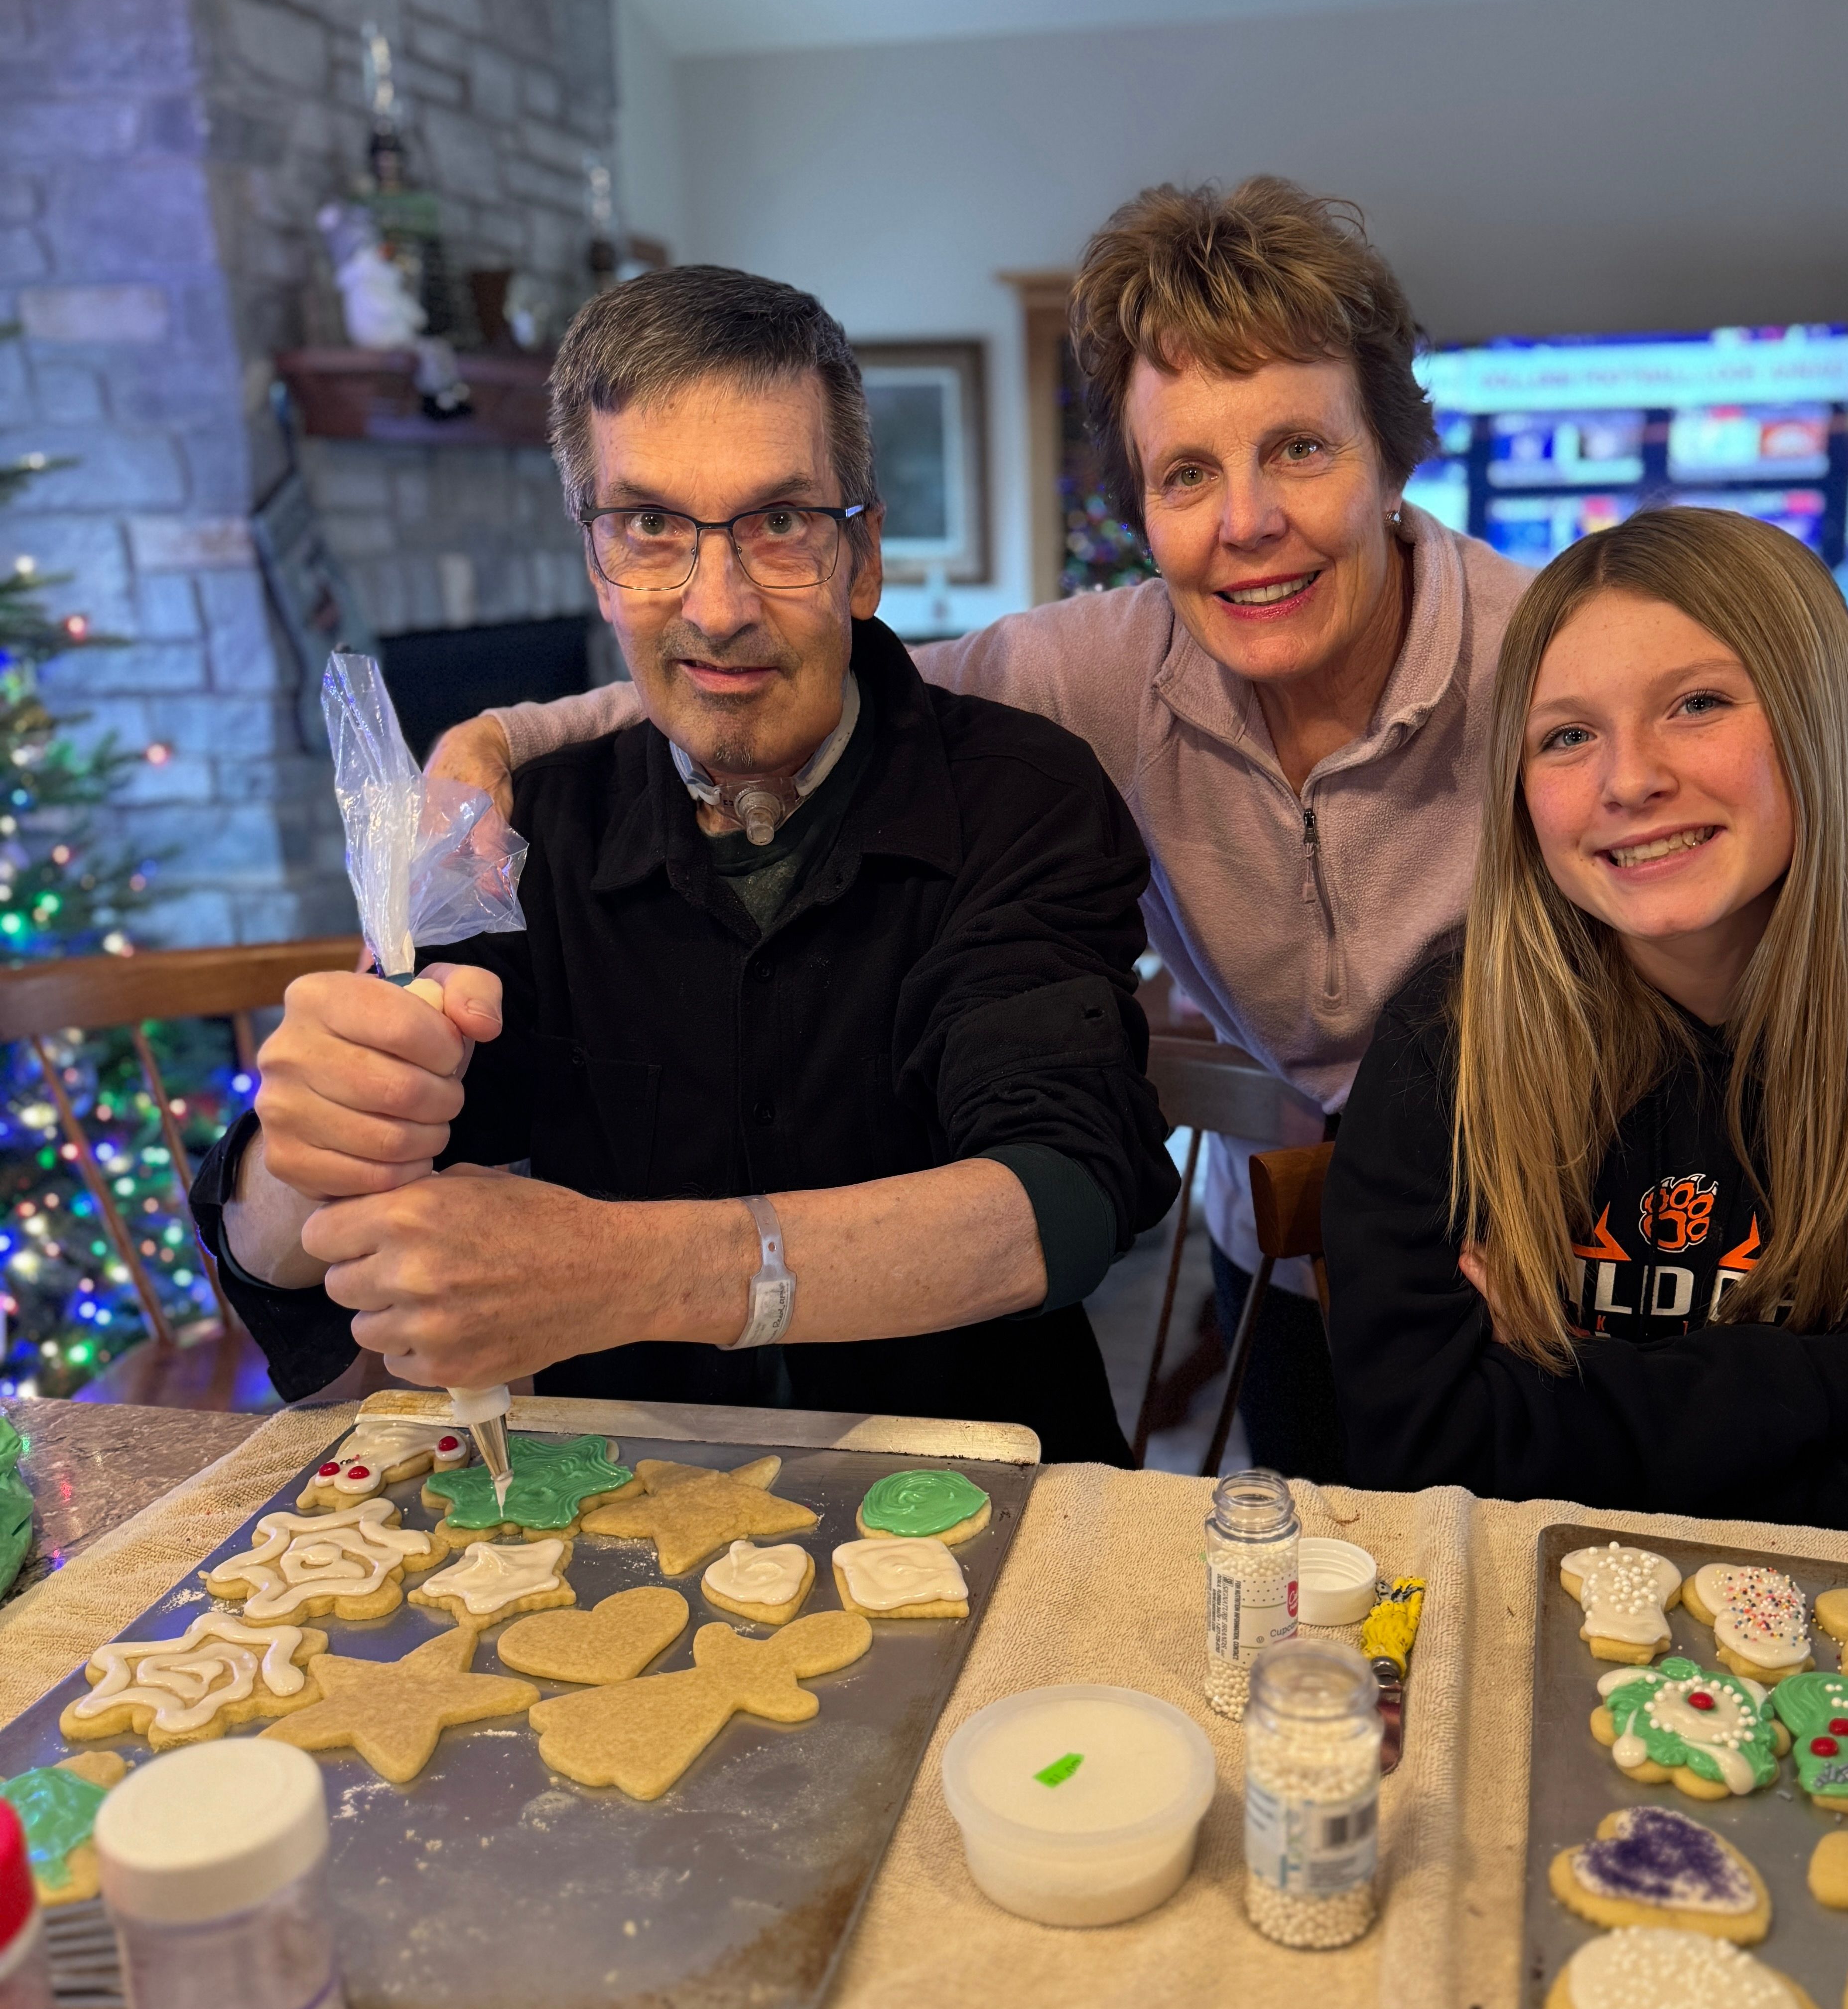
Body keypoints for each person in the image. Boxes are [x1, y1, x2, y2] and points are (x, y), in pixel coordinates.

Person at [430, 181, 1848, 1480]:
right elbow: (786, 662)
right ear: (1139, 505)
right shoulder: (1081, 671)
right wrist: (504, 738)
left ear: (1394, 453)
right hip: (1305, 1277)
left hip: (1579, 1263)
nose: (1245, 523)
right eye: (1185, 475)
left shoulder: (1561, 662)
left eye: (1298, 450)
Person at [191, 267, 1178, 1462]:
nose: (715, 609)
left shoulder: (1022, 795)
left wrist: (627, 1273)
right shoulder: (520, 836)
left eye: (781, 522)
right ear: (598, 566)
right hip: (619, 1514)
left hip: (988, 1499)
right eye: (651, 526)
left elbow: (1065, 1193)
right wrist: (300, 1154)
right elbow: (285, 1257)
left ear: (863, 558)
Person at [1323, 507, 1848, 1534]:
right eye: (1567, 736)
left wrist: (1567, 1397)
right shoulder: (1449, 1037)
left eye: (1697, 704)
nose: (1630, 780)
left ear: (1821, 721)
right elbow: (1415, 1455)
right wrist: (1835, 1384)